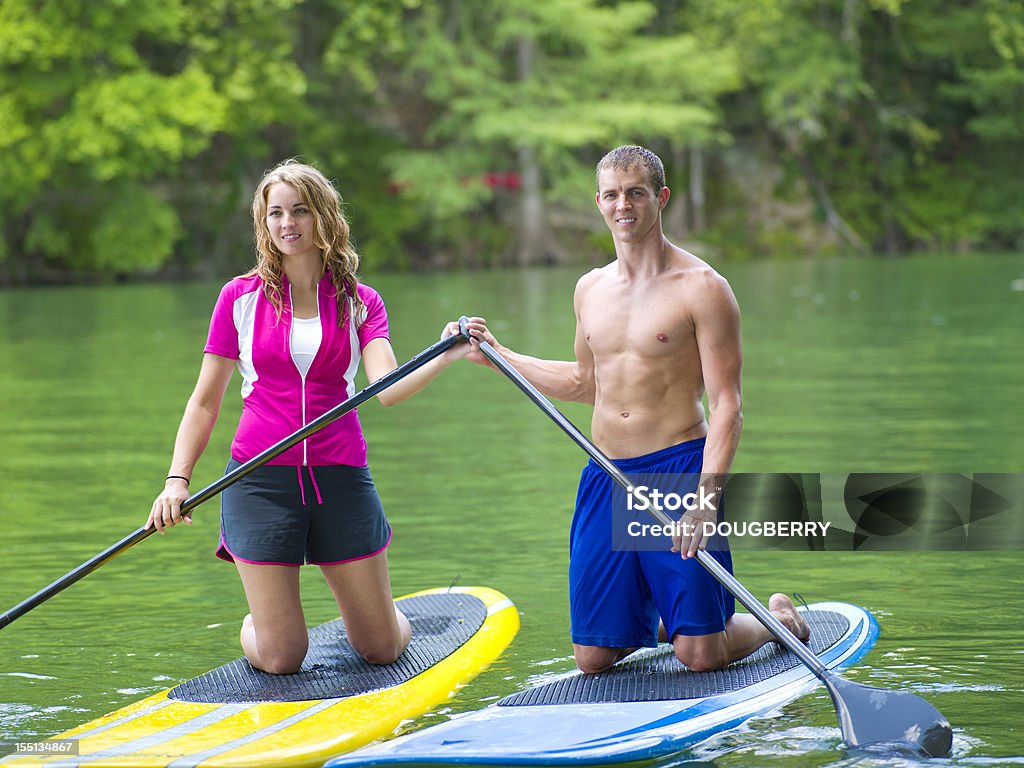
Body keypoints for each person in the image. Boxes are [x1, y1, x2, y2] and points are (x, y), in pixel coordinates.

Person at [459, 145, 810, 674]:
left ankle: (778, 620)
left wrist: (706, 499)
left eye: (636, 193)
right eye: (612, 195)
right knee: (595, 658)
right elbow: (584, 383)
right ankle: (672, 612)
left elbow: (727, 405)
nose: (623, 205)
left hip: (677, 472)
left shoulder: (703, 288)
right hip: (607, 474)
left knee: (700, 656)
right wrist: (498, 357)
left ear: (660, 198)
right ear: (599, 202)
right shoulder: (590, 289)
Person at [147, 160, 470, 675]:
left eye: (300, 210)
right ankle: (260, 621)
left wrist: (444, 352)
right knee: (281, 657)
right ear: (264, 222)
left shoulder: (360, 302)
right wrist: (175, 481)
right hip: (259, 482)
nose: (287, 223)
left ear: (323, 217)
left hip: (339, 477)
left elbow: (385, 388)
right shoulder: (239, 298)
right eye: (276, 213)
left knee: (382, 648)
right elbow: (205, 400)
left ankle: (385, 614)